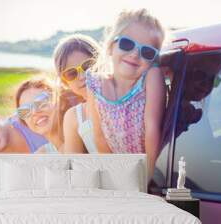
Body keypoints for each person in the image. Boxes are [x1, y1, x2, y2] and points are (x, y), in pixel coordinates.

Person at [85, 9, 167, 177]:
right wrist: (114, 176)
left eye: (147, 52)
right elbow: (99, 136)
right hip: (118, 171)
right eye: (127, 44)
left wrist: (148, 177)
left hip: (150, 171)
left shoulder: (151, 78)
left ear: (153, 59)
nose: (135, 54)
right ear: (110, 47)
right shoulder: (95, 84)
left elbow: (152, 130)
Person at [53, 34, 110, 154]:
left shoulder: (125, 95)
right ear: (65, 82)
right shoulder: (74, 117)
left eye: (88, 66)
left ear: (101, 62)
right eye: (71, 73)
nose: (83, 76)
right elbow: (74, 165)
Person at [15, 78, 63, 153]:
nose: (34, 112)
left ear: (60, 102)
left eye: (41, 102)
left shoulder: (84, 137)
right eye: (25, 110)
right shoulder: (40, 156)